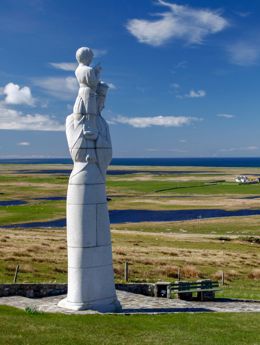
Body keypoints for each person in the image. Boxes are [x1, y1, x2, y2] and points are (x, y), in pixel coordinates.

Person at [73, 47, 101, 140]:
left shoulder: (77, 70)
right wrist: (97, 73)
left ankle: (86, 127)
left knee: (83, 108)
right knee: (90, 110)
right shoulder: (89, 70)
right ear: (87, 57)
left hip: (81, 91)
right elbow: (94, 83)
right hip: (89, 92)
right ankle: (89, 129)